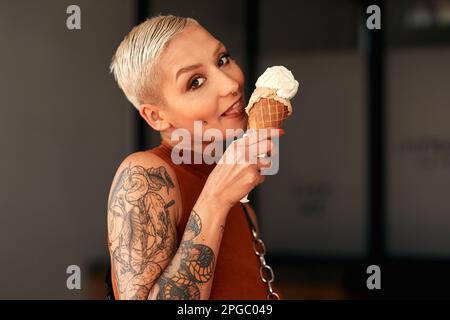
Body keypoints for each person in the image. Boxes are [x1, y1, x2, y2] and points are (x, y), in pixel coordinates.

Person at [107, 14, 282, 300]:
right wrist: (215, 199)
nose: (230, 85)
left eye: (223, 59)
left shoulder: (242, 202)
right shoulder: (144, 175)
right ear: (156, 116)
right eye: (196, 81)